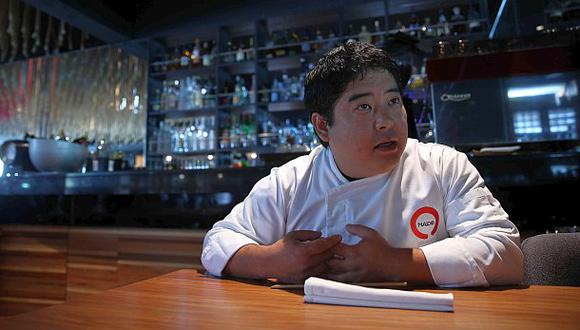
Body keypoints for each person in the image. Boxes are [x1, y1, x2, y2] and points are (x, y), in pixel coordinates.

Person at [202, 41, 523, 287]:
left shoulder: (443, 166)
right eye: (364, 107)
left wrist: (398, 263)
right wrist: (271, 261)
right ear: (323, 127)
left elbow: (506, 253)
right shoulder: (290, 182)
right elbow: (218, 242)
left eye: (393, 102)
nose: (386, 121)